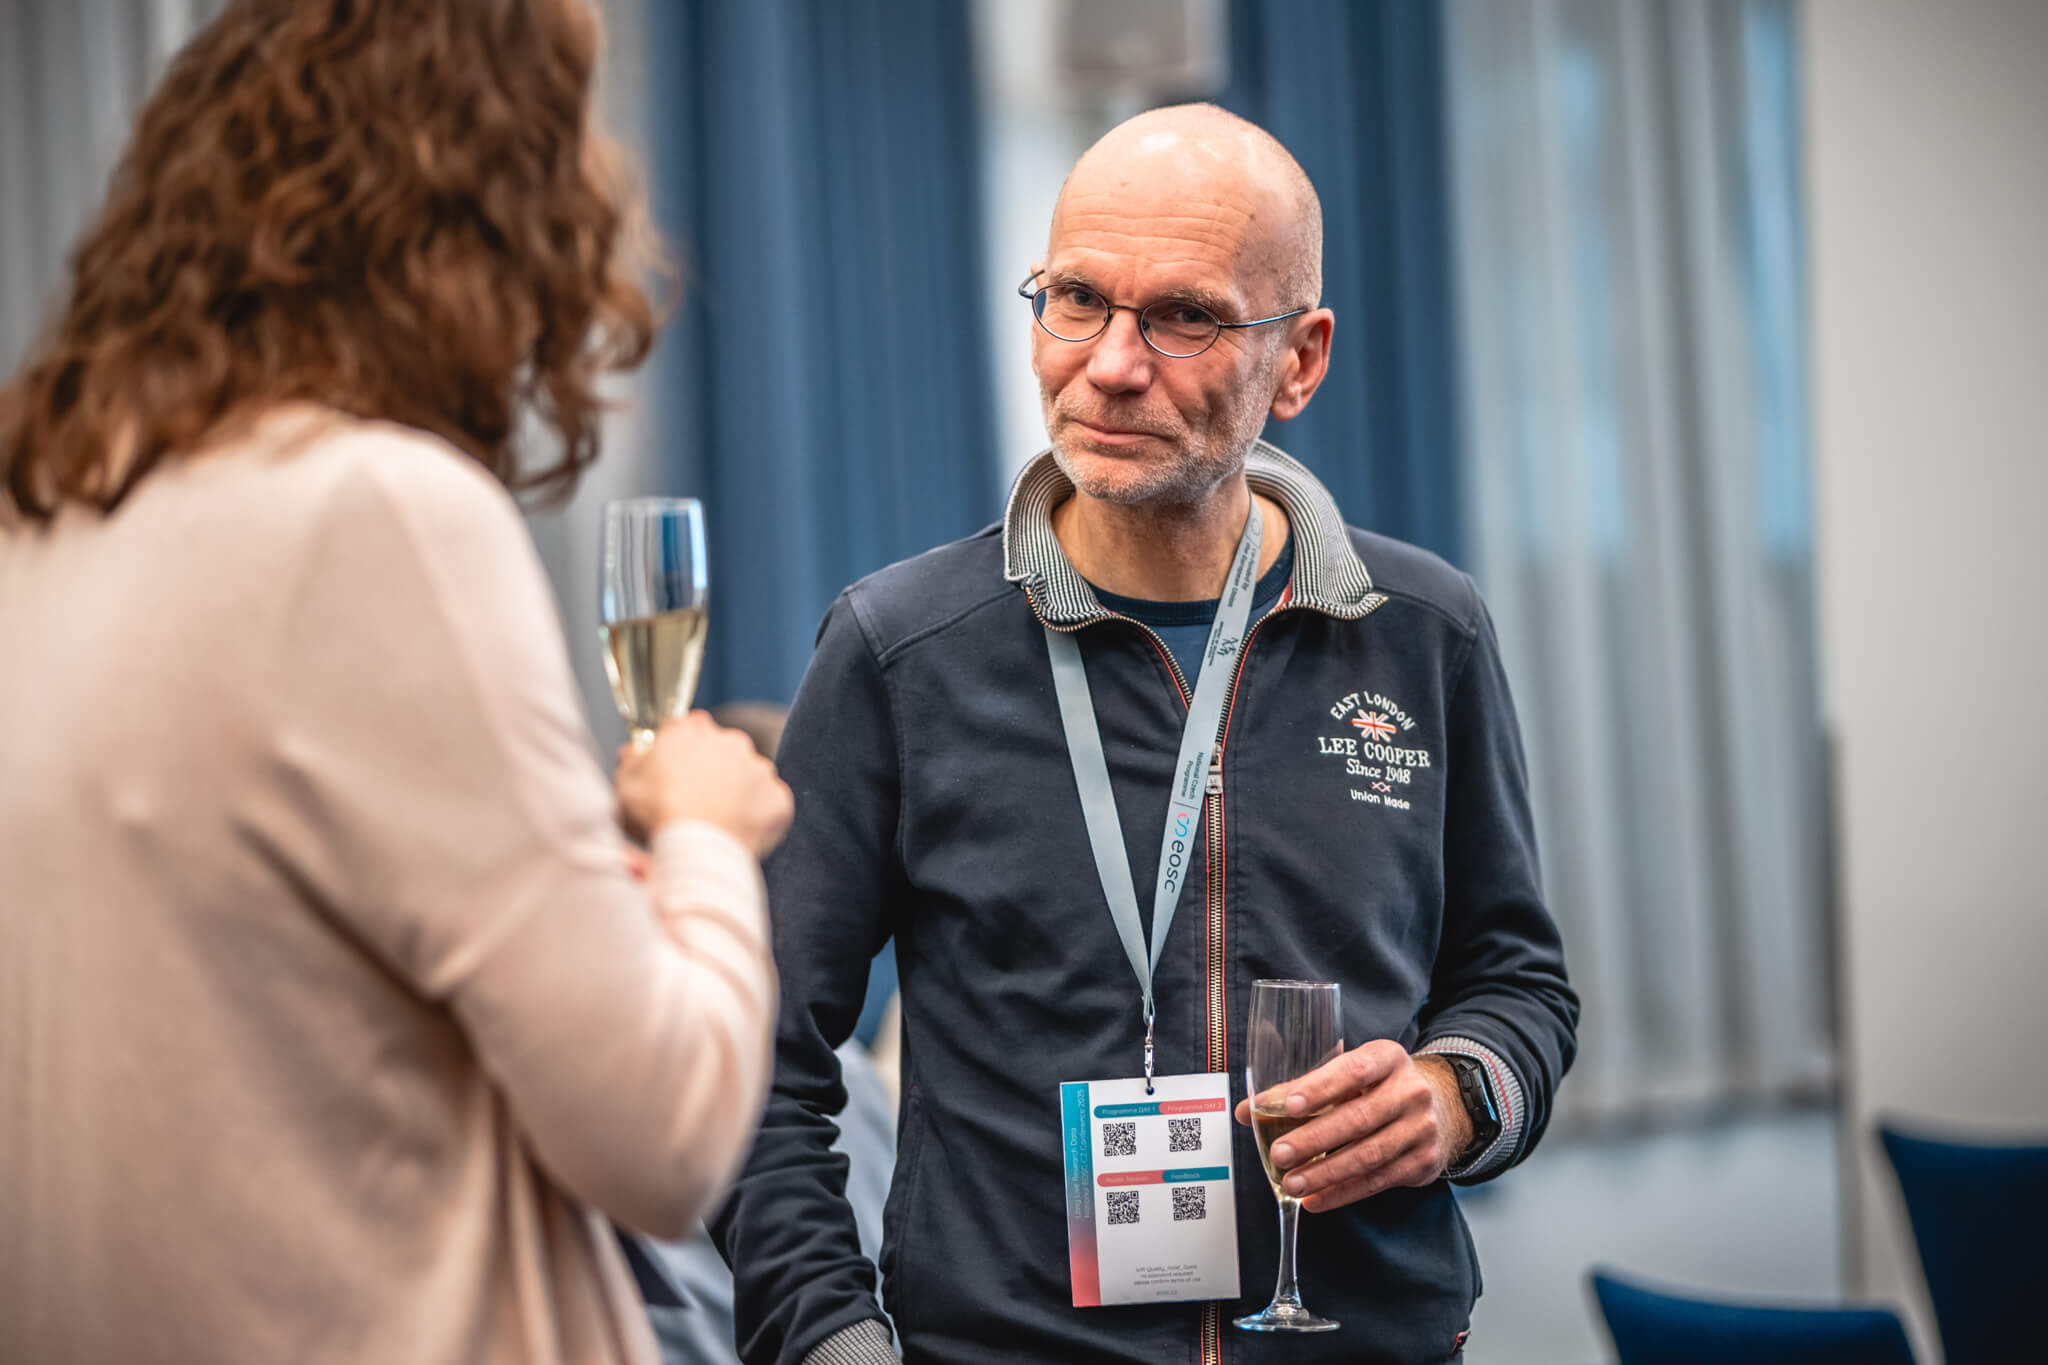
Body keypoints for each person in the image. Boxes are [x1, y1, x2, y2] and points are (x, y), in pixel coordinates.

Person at [712, 105, 1578, 1365]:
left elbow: (1514, 984)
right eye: (1075, 300)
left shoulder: (1418, 632)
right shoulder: (900, 650)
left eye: (1183, 317)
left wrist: (1455, 1098)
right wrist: (833, 1343)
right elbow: (752, 1062)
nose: (1111, 365)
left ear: (1300, 360)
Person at [0, 3, 790, 1364]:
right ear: (489, 200)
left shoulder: (50, 509)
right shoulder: (381, 511)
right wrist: (708, 837)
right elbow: (665, 1137)